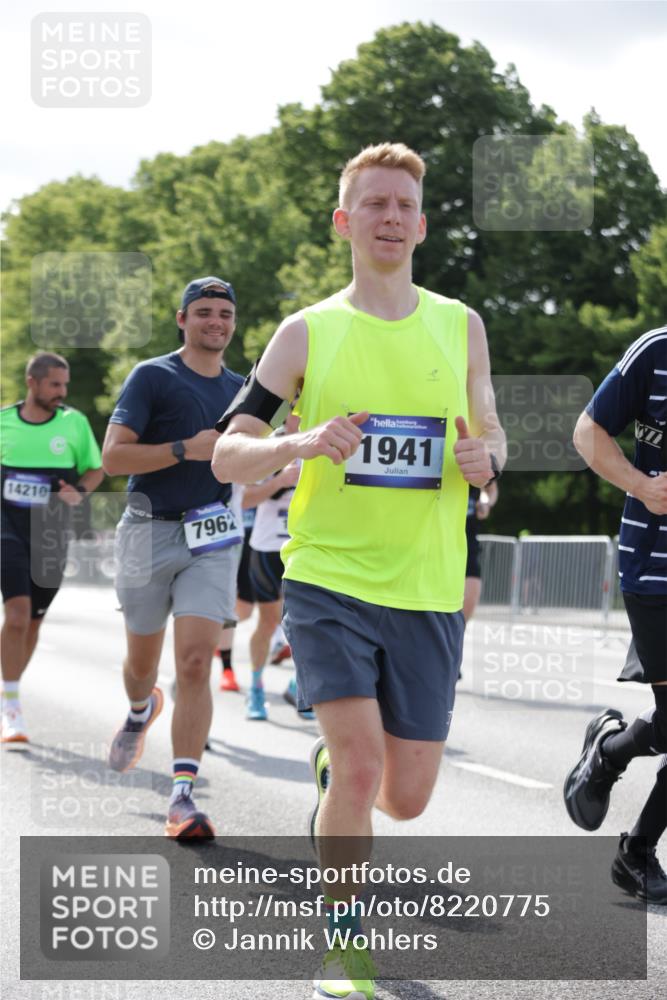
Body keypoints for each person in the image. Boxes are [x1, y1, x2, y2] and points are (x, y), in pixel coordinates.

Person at [212, 143, 505, 999]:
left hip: (426, 587)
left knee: (405, 798)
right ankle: (343, 947)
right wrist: (302, 441)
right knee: (362, 768)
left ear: (422, 225)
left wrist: (487, 461)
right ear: (344, 221)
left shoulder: (460, 325)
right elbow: (228, 453)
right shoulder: (307, 331)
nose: (390, 217)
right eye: (373, 203)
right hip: (328, 578)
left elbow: (490, 435)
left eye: (404, 206)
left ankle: (333, 779)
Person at [102, 276, 243, 839]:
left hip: (211, 537)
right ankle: (141, 709)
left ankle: (182, 796)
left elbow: (250, 459)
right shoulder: (153, 375)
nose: (216, 322)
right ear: (182, 319)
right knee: (142, 663)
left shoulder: (243, 390)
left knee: (195, 662)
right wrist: (186, 448)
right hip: (147, 532)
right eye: (203, 312)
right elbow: (114, 458)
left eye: (224, 314)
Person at [564, 324, 667, 904]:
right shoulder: (656, 351)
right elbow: (588, 431)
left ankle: (610, 753)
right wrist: (641, 486)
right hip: (657, 570)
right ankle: (636, 852)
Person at [1, 352, 103, 745]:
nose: (62, 392)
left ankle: (9, 689)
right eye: (54, 384)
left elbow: (95, 468)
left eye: (65, 384)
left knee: (33, 621)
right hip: (6, 527)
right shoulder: (4, 422)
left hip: (50, 532)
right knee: (16, 613)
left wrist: (79, 492)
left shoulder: (74, 423)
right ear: (32, 382)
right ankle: (12, 708)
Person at [463, 482, 498, 622]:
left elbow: (491, 488)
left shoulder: (476, 473)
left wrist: (486, 503)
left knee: (472, 590)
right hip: (438, 541)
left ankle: (459, 631)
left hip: (469, 542)